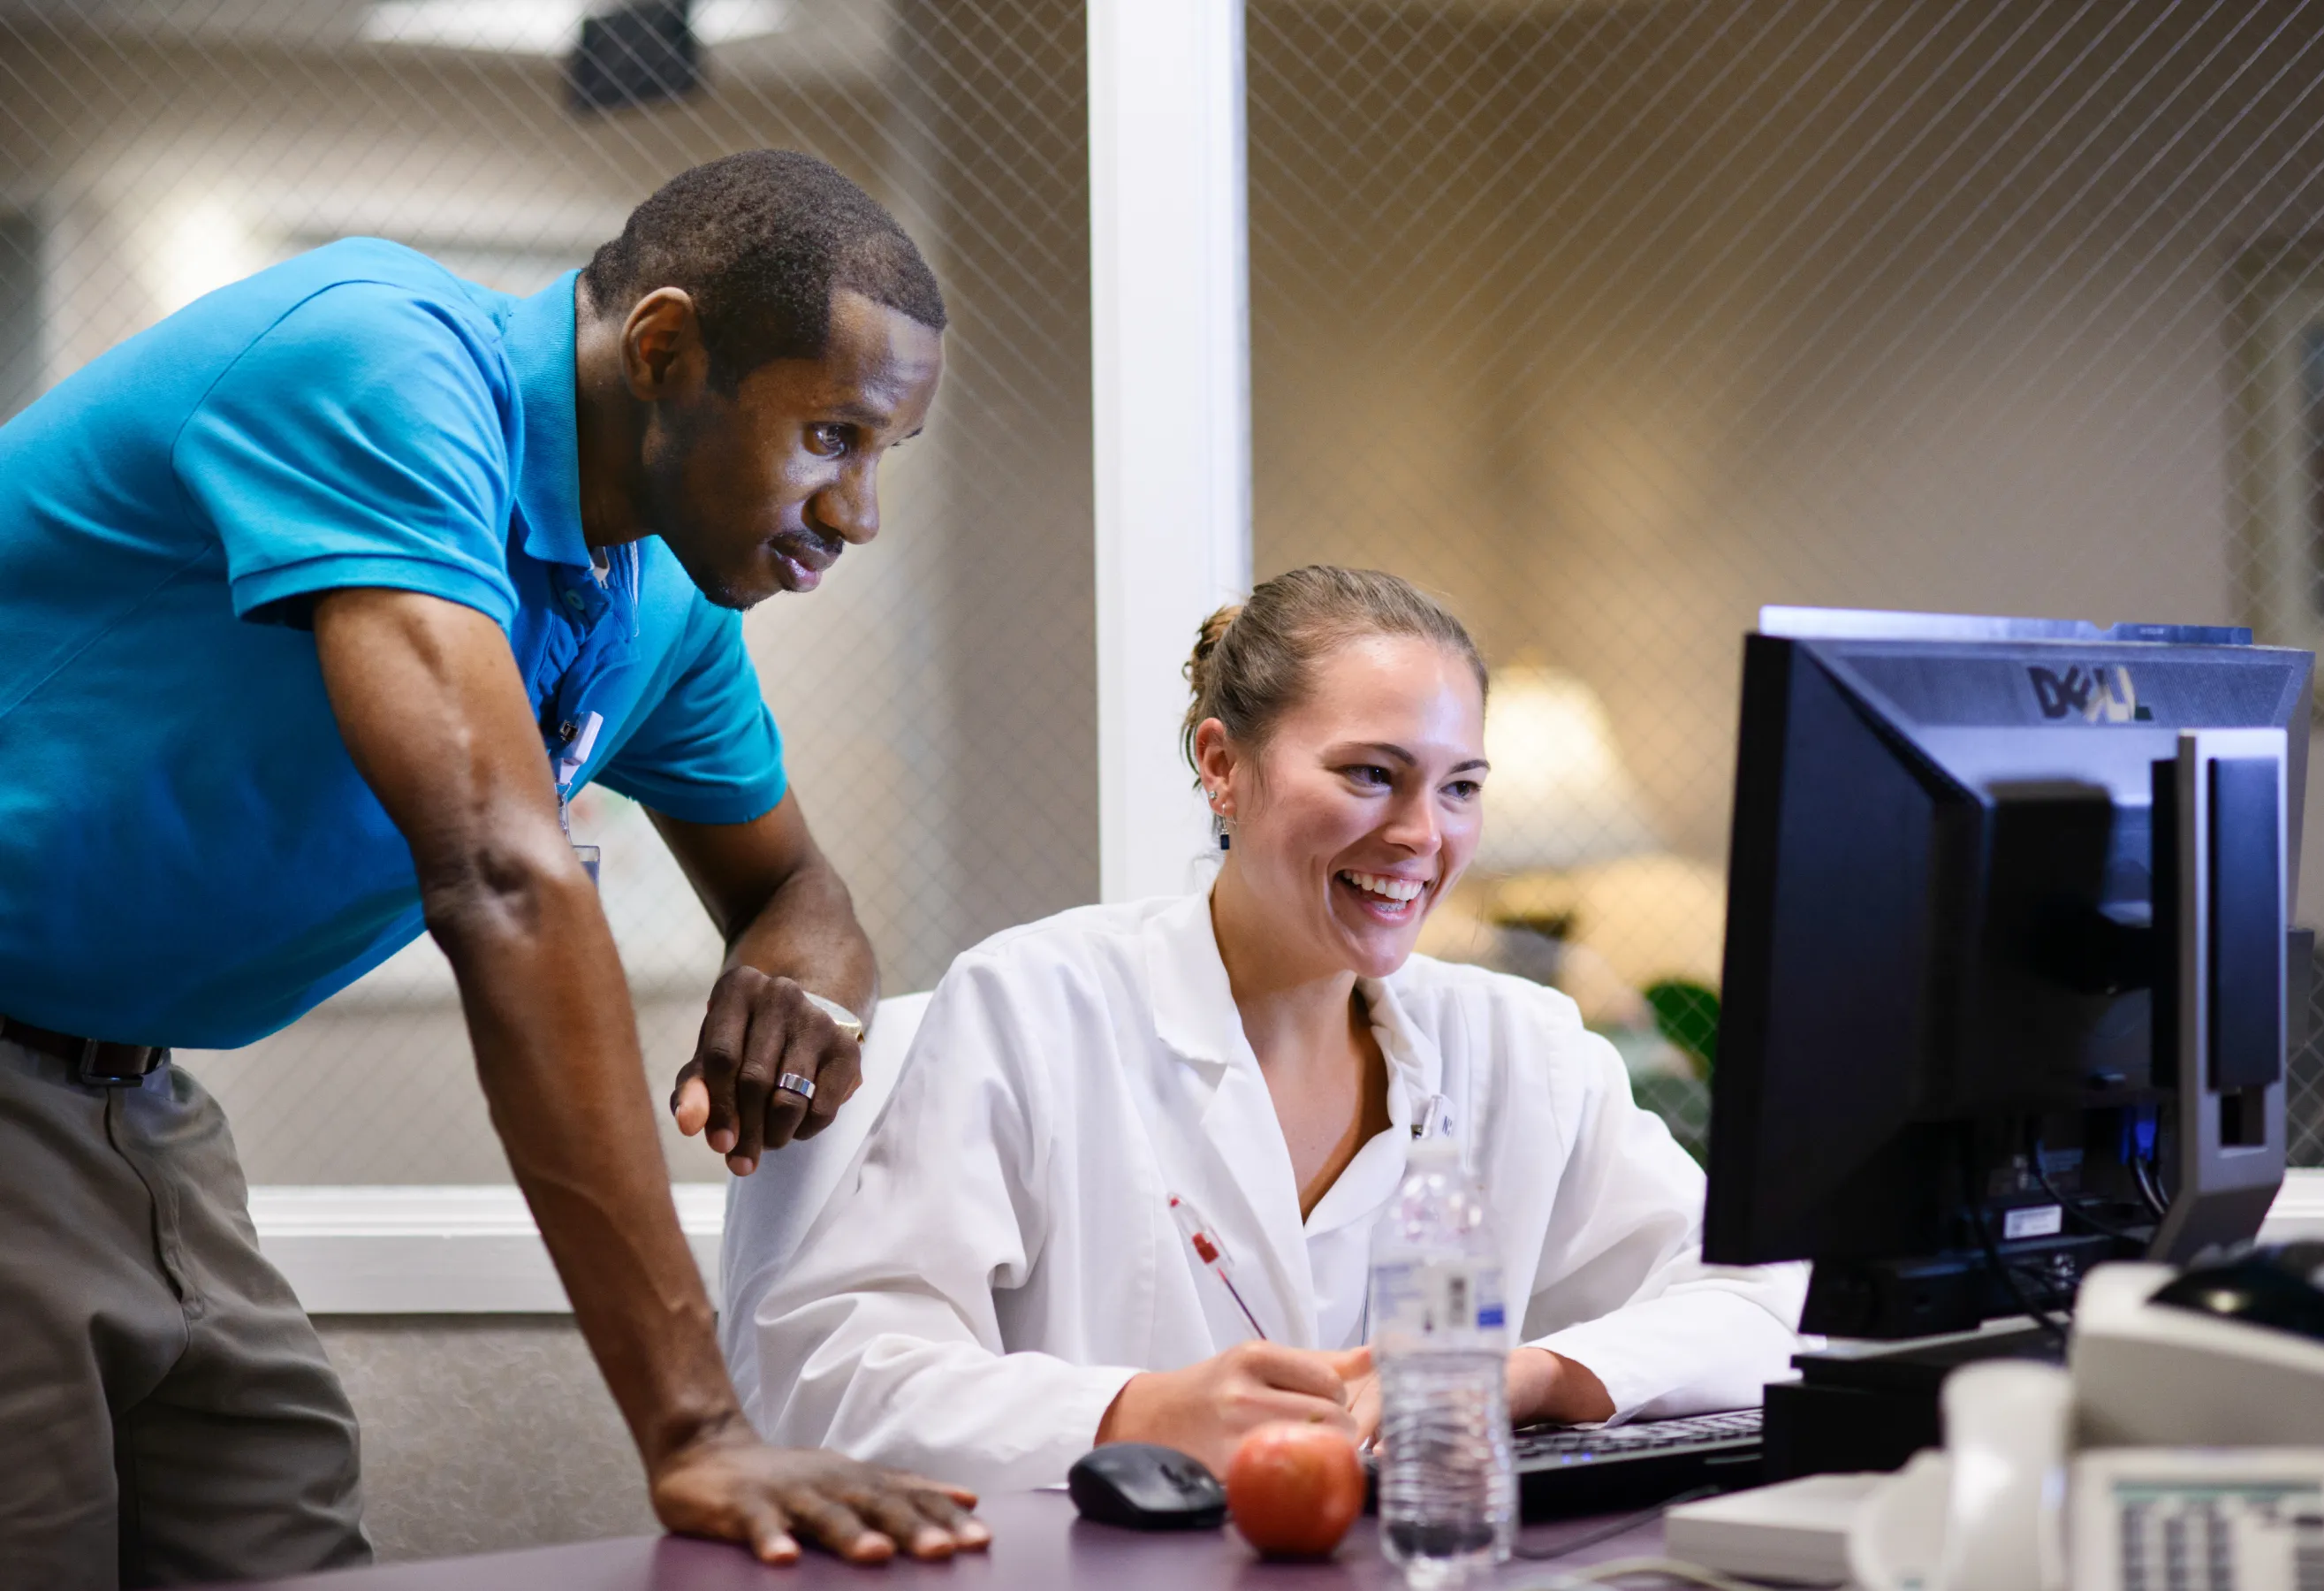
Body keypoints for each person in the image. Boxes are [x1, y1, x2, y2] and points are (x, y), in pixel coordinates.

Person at [0, 149, 991, 1586]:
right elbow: (504, 878)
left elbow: (799, 896)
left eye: (882, 454)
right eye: (832, 435)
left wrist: (806, 981)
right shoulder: (378, 362)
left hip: (131, 1097)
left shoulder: (657, 605)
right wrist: (697, 1426)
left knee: (273, 1509)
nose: (859, 512)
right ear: (663, 348)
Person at [736, 566, 1806, 1492]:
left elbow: (1766, 1301)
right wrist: (1128, 1413)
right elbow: (833, 1369)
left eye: (1461, 787)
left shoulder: (1523, 1047)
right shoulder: (1036, 1003)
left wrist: (1527, 1374)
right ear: (1222, 765)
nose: (1422, 837)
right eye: (1368, 775)